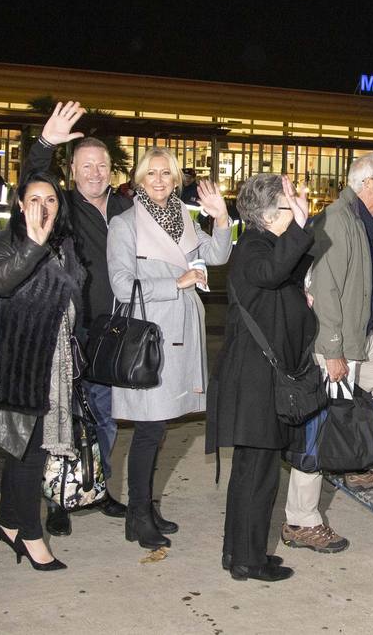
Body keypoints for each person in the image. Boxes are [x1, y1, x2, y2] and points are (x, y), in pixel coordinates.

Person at [281, 152, 373, 555]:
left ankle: (366, 465)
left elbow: (359, 283)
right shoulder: (340, 220)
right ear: (366, 184)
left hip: (361, 334)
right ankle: (300, 521)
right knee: (320, 432)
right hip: (335, 340)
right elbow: (326, 290)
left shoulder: (362, 222)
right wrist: (332, 350)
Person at [106, 146, 232, 549]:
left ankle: (145, 505)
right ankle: (137, 515)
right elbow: (122, 286)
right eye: (151, 174)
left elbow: (217, 254)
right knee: (147, 430)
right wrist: (174, 283)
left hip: (182, 333)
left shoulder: (183, 217)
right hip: (150, 339)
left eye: (166, 174)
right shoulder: (125, 224)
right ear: (139, 180)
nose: (159, 181)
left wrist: (222, 217)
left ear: (176, 179)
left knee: (159, 429)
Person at [22, 104, 132, 536]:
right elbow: (31, 180)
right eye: (86, 166)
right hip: (69, 333)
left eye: (101, 165)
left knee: (104, 417)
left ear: (111, 170)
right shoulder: (62, 206)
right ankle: (59, 499)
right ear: (72, 171)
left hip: (113, 334)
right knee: (63, 419)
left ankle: (97, 487)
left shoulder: (126, 208)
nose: (95, 173)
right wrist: (46, 144)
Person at [207, 174, 313, 582]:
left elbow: (287, 269)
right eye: (288, 206)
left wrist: (298, 228)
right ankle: (248, 560)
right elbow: (271, 273)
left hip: (257, 377)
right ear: (271, 215)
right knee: (258, 475)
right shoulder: (254, 247)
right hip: (254, 380)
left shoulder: (264, 244)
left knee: (251, 472)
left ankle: (237, 553)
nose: (296, 212)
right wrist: (299, 227)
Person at [0, 171, 82, 572]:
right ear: (20, 205)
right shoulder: (9, 241)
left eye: (52, 199)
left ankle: (6, 522)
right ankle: (29, 534)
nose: (44, 206)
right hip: (22, 362)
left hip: (56, 360)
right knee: (30, 451)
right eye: (34, 199)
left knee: (24, 447)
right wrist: (33, 247)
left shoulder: (64, 242)